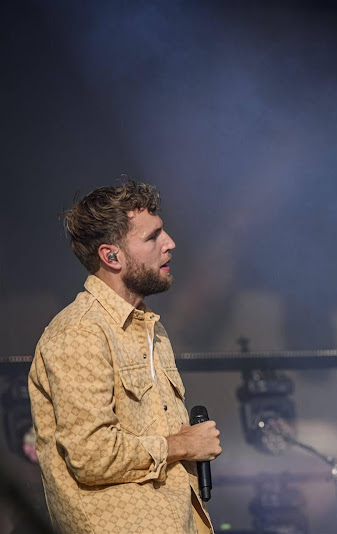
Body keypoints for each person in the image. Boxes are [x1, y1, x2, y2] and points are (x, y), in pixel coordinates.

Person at [28, 179, 222, 534]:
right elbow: (91, 454)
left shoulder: (150, 328)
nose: (170, 244)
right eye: (152, 237)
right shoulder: (80, 333)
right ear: (111, 256)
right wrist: (182, 445)